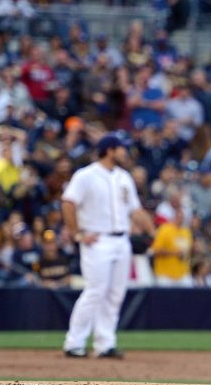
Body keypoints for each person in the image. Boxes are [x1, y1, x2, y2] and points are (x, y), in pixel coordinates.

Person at [61, 134, 156, 359]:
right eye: (122, 149)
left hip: (122, 240)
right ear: (110, 150)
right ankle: (74, 342)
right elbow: (68, 203)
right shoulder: (86, 175)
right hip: (97, 240)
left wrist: (152, 231)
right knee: (95, 291)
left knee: (115, 294)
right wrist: (77, 233)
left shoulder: (124, 177)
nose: (126, 153)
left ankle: (105, 343)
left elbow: (135, 210)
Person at [150, 205, 193, 286]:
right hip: (165, 274)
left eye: (182, 217)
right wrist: (174, 253)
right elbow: (156, 250)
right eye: (178, 216)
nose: (180, 219)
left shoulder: (186, 232)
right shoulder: (164, 229)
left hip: (183, 273)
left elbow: (188, 252)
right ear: (173, 217)